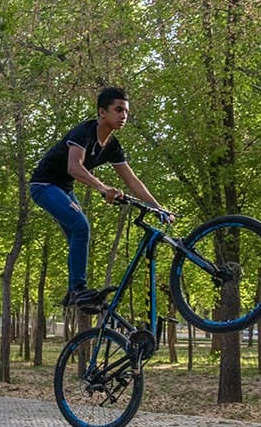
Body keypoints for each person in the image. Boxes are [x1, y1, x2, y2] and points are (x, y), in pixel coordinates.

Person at [29, 86, 169, 307]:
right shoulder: (84, 132)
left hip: (63, 189)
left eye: (126, 112)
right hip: (43, 185)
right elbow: (75, 167)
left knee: (79, 234)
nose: (123, 116)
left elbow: (132, 181)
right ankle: (77, 290)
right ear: (102, 112)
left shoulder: (113, 146)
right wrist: (103, 188)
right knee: (80, 227)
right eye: (118, 110)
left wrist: (159, 208)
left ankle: (73, 292)